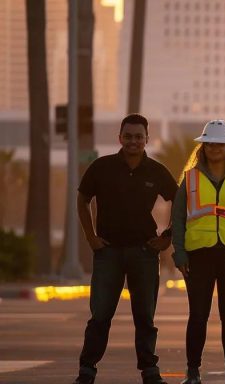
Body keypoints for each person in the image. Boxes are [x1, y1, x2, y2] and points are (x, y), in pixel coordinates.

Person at [73, 113, 176, 384]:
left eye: (138, 137)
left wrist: (168, 236)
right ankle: (87, 369)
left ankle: (150, 371)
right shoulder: (102, 167)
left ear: (146, 140)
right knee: (101, 315)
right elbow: (82, 199)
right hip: (108, 253)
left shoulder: (156, 171)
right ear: (120, 138)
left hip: (144, 252)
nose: (133, 141)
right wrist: (91, 237)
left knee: (145, 317)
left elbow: (180, 201)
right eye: (128, 136)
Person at [171, 120, 225, 384]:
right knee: (198, 315)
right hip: (198, 256)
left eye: (220, 144)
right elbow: (178, 218)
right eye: (210, 144)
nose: (215, 148)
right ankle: (193, 372)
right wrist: (180, 252)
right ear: (203, 147)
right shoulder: (191, 178)